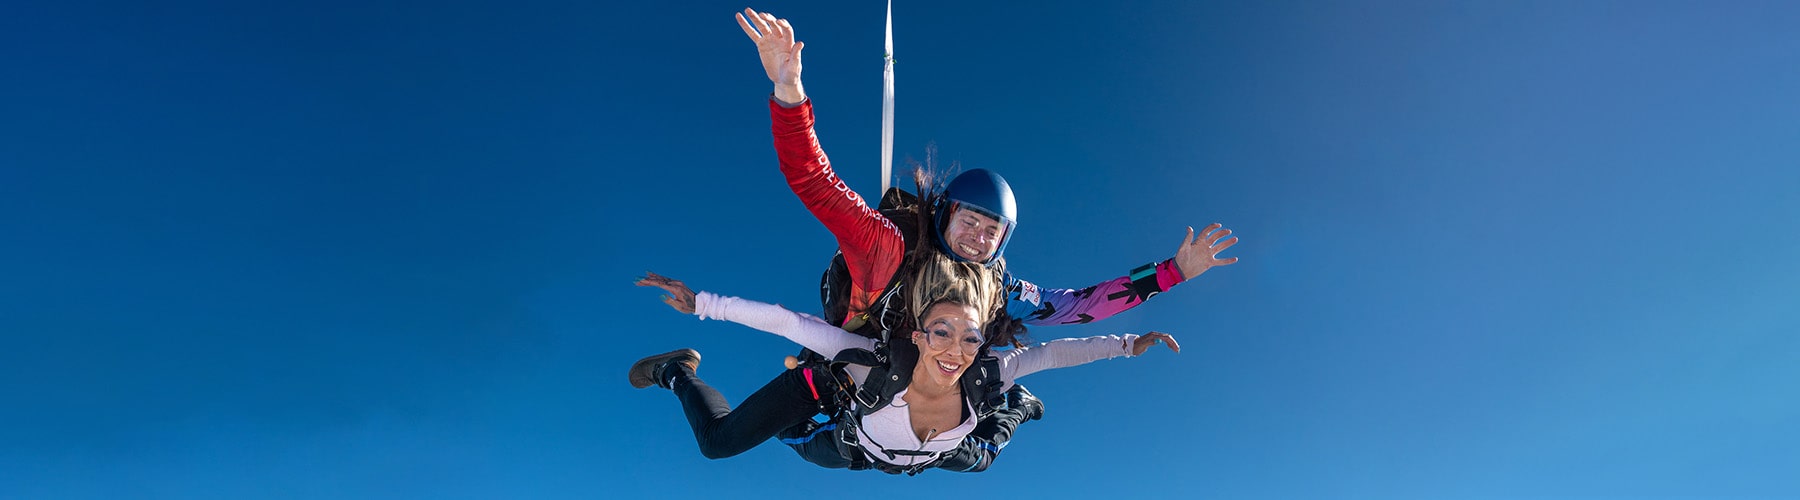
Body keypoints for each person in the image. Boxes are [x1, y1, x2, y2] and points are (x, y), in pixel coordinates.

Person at [735, 8, 1239, 471]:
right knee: (782, 437)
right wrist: (789, 92)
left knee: (975, 457)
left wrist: (1172, 273)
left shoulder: (999, 289)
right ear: (943, 217)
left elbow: (1078, 308)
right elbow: (815, 183)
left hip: (931, 401)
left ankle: (1012, 410)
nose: (979, 239)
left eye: (992, 231)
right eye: (969, 222)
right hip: (863, 367)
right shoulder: (887, 251)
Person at [628, 256, 1180, 474]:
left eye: (969, 338)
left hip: (926, 452)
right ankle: (678, 370)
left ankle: (1021, 407)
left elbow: (1056, 352)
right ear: (918, 335)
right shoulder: (874, 365)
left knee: (984, 454)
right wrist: (703, 304)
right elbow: (789, 322)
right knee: (722, 443)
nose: (955, 350)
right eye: (941, 333)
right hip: (856, 446)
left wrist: (1129, 344)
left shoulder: (988, 372)